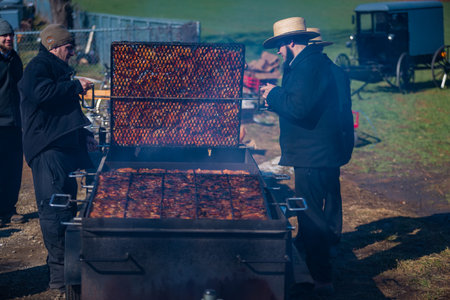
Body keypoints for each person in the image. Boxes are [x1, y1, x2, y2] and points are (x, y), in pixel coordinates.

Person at [260, 17, 354, 295]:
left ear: (290, 42)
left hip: (311, 155)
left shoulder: (305, 67)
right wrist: (277, 101)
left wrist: (274, 93)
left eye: (279, 45)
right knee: (325, 206)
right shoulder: (318, 64)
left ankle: (321, 278)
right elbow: (309, 109)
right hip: (325, 150)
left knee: (310, 215)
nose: (277, 51)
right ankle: (327, 248)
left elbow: (299, 107)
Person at [18, 24, 97, 293]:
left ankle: (72, 270)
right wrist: (75, 85)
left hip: (64, 148)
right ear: (54, 46)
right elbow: (42, 95)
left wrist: (84, 133)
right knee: (55, 213)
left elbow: (65, 111)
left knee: (68, 209)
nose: (73, 53)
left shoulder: (57, 69)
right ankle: (60, 278)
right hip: (48, 150)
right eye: (69, 48)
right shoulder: (37, 67)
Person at [0, 18, 25, 227]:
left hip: (15, 123)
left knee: (13, 168)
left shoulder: (15, 59)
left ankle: (9, 209)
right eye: (4, 36)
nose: (8, 39)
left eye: (10, 35)